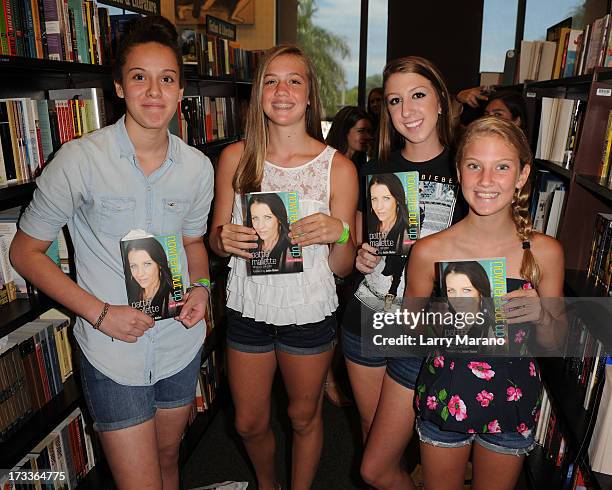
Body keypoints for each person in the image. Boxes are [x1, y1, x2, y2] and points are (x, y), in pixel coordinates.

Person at [10, 16, 214, 490]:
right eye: (139, 77)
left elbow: (192, 243)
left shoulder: (198, 169)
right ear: (120, 86)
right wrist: (101, 314)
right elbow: (25, 252)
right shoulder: (80, 159)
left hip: (178, 344)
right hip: (111, 351)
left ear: (180, 89)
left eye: (167, 79)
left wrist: (202, 288)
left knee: (168, 459)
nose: (154, 92)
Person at [209, 44, 358, 490]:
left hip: (308, 312)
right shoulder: (236, 158)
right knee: (250, 424)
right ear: (258, 94)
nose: (282, 90)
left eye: (294, 80)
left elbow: (344, 268)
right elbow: (216, 240)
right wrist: (223, 239)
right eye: (271, 80)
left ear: (310, 95)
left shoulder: (339, 168)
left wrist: (341, 234)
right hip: (249, 309)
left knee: (302, 416)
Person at [406, 116, 564, 489]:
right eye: (474, 166)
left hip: (511, 401)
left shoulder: (544, 252)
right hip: (448, 394)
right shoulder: (430, 251)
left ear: (522, 176)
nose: (487, 180)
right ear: (459, 172)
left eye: (502, 167)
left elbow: (557, 341)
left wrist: (541, 314)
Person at [341, 56, 462, 490]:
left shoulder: (467, 170)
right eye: (395, 101)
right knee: (376, 446)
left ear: (441, 101)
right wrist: (360, 256)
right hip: (367, 317)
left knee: (407, 453)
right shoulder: (372, 169)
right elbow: (358, 243)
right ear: (386, 112)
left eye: (417, 95)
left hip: (426, 329)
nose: (407, 110)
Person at [246, 192, 302, 274]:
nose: (260, 226)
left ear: (279, 218)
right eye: (255, 218)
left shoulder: (289, 253)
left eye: (267, 217)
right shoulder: (251, 245)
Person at [123, 238, 176, 319]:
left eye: (147, 264)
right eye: (133, 266)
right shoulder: (132, 294)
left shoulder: (171, 300)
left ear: (159, 264)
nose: (140, 273)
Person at [367, 173, 411, 256]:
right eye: (374, 199)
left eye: (386, 198)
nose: (379, 207)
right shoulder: (370, 226)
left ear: (397, 200)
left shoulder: (404, 237)